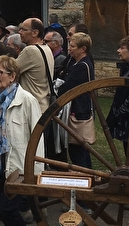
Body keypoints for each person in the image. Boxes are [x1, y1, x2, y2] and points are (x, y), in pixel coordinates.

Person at [0, 55, 43, 226]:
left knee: (5, 210)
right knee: (6, 212)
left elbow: (38, 138)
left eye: (0, 72)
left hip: (18, 167)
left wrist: (36, 172)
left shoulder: (26, 100)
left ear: (12, 76)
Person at [56, 32, 95, 168]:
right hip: (78, 108)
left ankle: (84, 176)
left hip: (79, 111)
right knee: (78, 150)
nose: (69, 48)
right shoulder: (77, 63)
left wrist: (58, 88)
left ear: (82, 49)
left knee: (77, 148)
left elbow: (68, 86)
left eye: (73, 46)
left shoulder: (82, 67)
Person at [15, 18, 53, 113]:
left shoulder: (30, 50)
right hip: (44, 105)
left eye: (24, 29)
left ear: (35, 33)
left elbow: (10, 71)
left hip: (32, 108)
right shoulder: (46, 48)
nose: (20, 32)